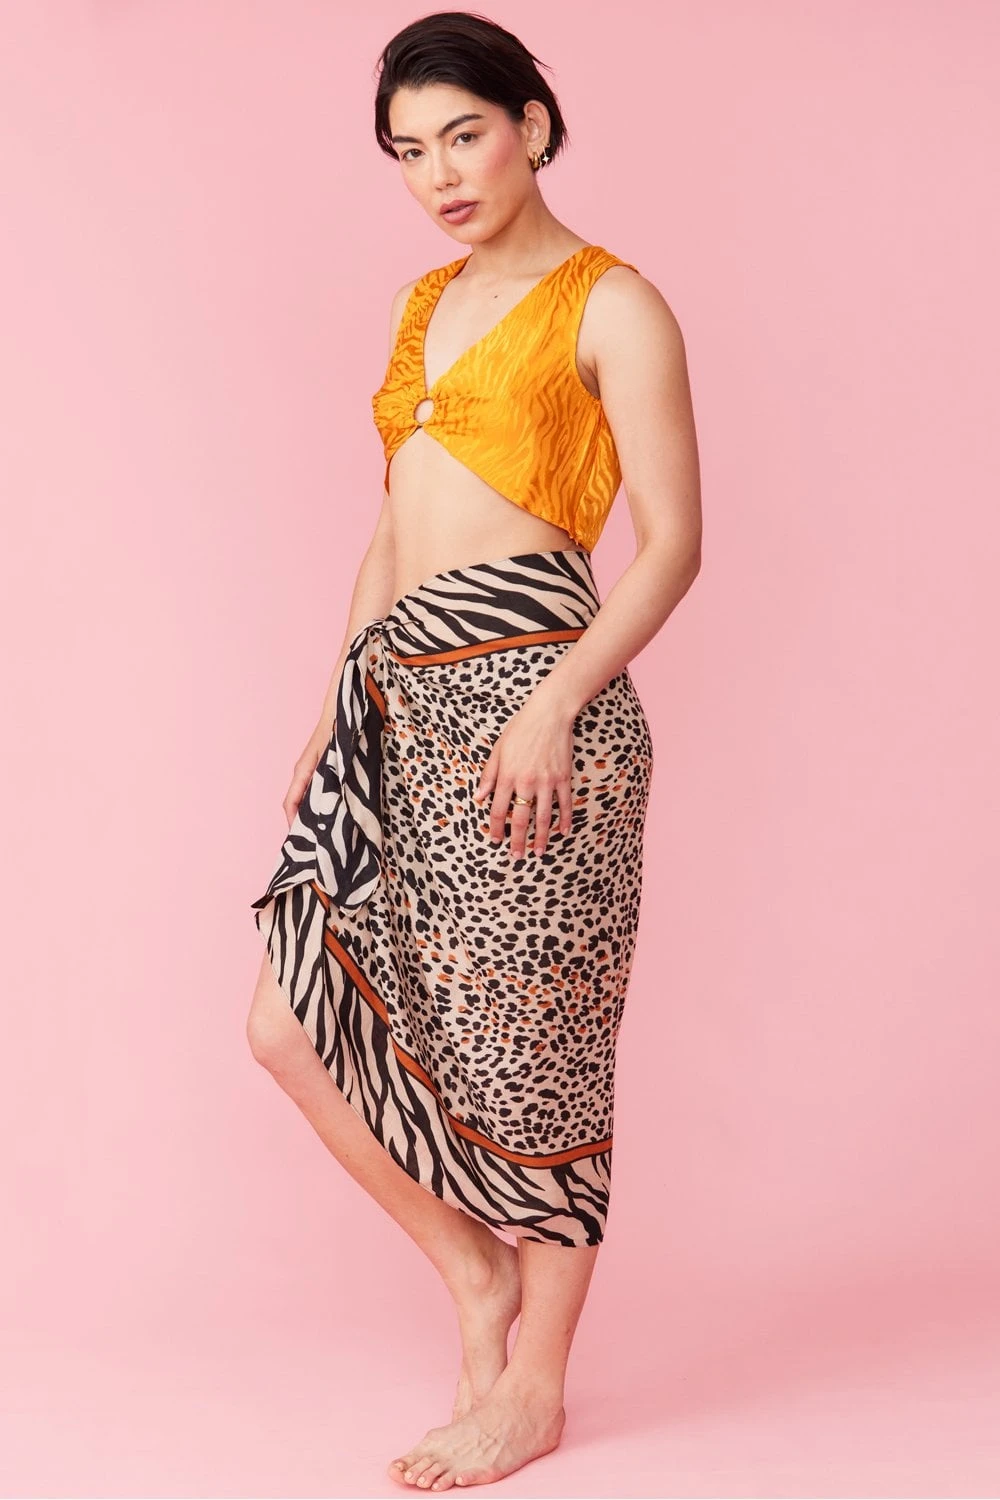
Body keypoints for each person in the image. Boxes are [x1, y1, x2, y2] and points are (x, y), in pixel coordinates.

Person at [246, 10, 701, 1492]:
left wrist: (555, 703)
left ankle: (535, 1390)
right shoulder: (420, 305)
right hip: (400, 702)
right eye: (408, 151)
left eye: (463, 135)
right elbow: (394, 527)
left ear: (533, 129)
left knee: (542, 1055)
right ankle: (475, 1275)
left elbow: (673, 545)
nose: (439, 174)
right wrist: (334, 709)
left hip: (539, 712)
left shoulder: (615, 304)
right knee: (288, 1024)